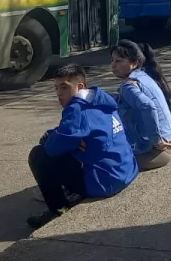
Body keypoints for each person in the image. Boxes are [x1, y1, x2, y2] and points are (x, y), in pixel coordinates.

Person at [27, 64, 138, 229]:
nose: (59, 93)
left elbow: (53, 148)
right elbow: (71, 132)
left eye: (64, 87)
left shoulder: (76, 109)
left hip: (104, 182)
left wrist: (48, 138)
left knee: (38, 154)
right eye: (56, 87)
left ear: (79, 87)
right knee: (69, 145)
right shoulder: (101, 99)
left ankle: (58, 209)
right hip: (126, 171)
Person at [110, 40, 171, 171]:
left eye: (118, 61)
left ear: (134, 63)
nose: (113, 65)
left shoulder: (128, 86)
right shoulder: (145, 76)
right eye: (112, 60)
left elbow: (148, 106)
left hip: (156, 152)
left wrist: (156, 141)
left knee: (102, 163)